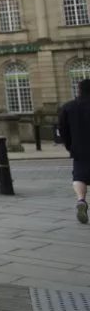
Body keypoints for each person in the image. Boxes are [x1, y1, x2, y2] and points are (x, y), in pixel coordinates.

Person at [57, 78, 90, 224]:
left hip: (79, 147)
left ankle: (81, 200)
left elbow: (62, 129)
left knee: (79, 176)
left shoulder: (68, 107)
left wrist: (69, 145)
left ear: (79, 90)